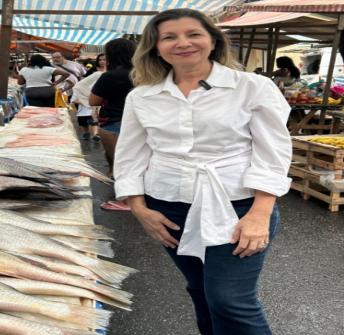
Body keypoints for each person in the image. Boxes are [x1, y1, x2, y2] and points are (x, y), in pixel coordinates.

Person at [115, 9, 291, 335]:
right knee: (199, 290)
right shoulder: (142, 96)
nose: (182, 43)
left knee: (230, 300)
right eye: (169, 37)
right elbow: (130, 157)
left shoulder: (251, 87)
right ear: (155, 47)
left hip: (237, 207)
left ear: (213, 39)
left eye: (193, 34)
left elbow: (274, 154)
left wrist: (260, 213)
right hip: (168, 208)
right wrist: (139, 209)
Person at [90, 39, 136, 183]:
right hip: (141, 120)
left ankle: (124, 198)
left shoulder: (109, 76)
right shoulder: (145, 74)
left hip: (113, 121)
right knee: (136, 161)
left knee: (118, 160)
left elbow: (93, 101)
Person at [71, 54, 106, 142]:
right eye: (100, 60)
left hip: (102, 96)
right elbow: (83, 83)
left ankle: (96, 134)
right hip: (87, 95)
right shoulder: (93, 70)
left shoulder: (112, 70)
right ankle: (87, 132)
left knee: (95, 117)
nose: (102, 61)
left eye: (104, 60)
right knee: (84, 118)